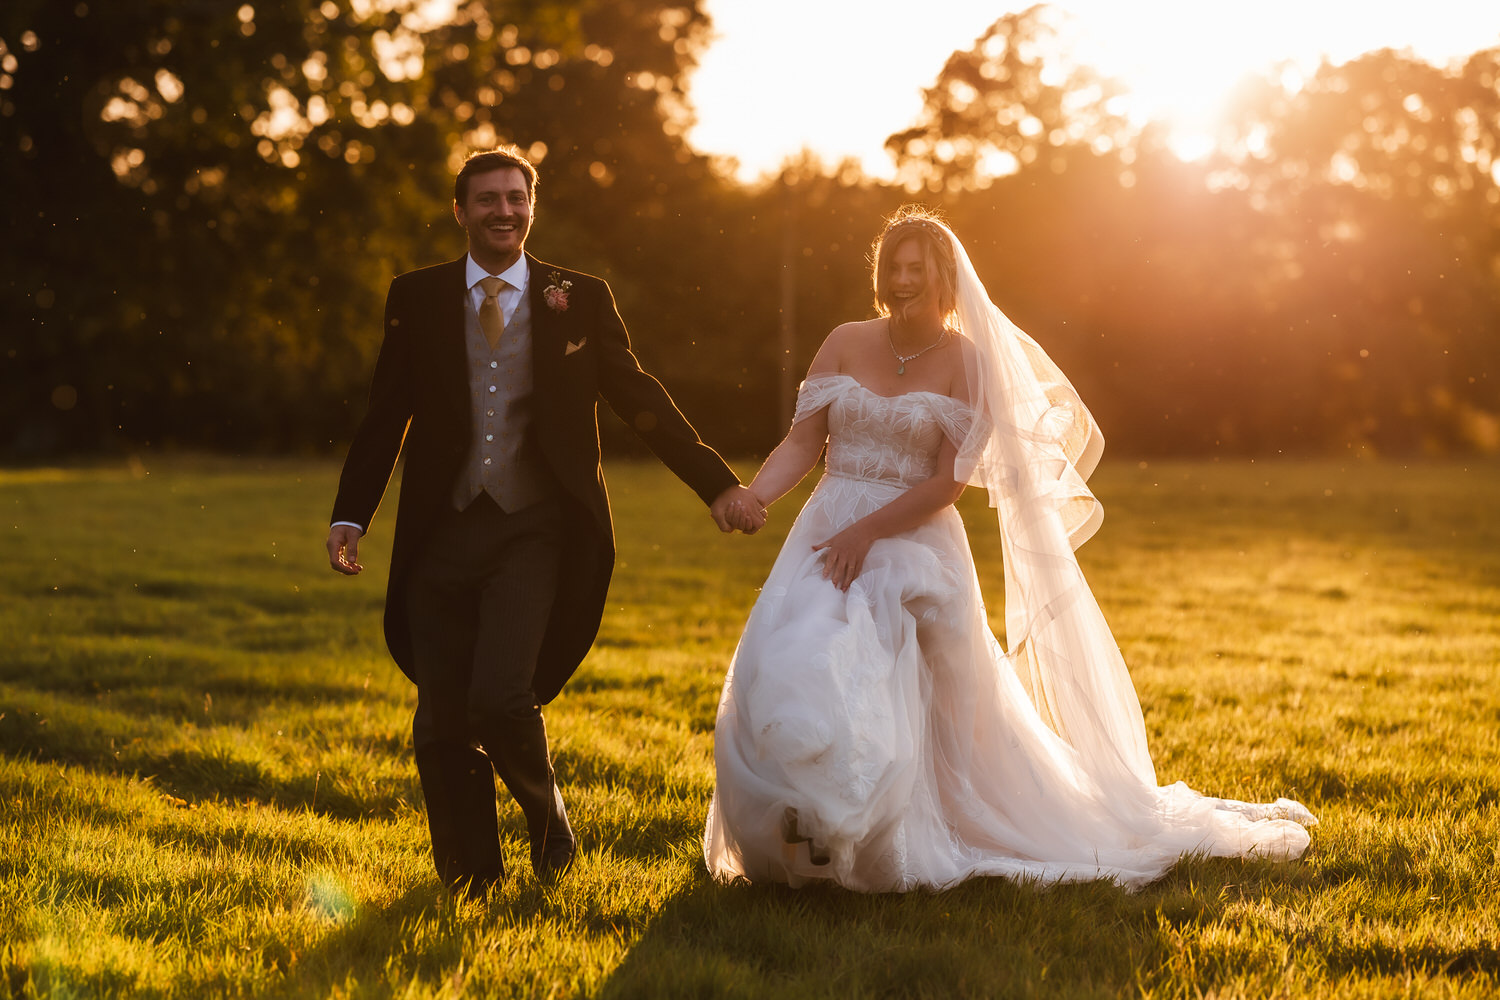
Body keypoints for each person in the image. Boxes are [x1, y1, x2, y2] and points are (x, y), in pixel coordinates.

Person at [704, 206, 1316, 891]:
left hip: (910, 536)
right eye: (893, 269)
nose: (903, 281)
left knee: (890, 680)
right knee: (802, 655)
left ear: (943, 280)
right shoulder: (844, 340)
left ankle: (856, 827)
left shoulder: (969, 362)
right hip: (828, 527)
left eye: (917, 270)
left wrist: (868, 532)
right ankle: (805, 818)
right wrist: (756, 495)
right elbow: (802, 442)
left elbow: (946, 482)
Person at [326, 146, 763, 897]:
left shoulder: (579, 296)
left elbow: (638, 396)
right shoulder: (417, 296)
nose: (504, 211)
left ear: (533, 207)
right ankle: (472, 879)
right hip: (439, 529)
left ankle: (546, 816)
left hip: (534, 528)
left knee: (498, 696)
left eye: (517, 198)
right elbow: (384, 415)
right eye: (488, 199)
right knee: (439, 720)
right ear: (459, 211)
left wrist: (717, 485)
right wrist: (351, 515)